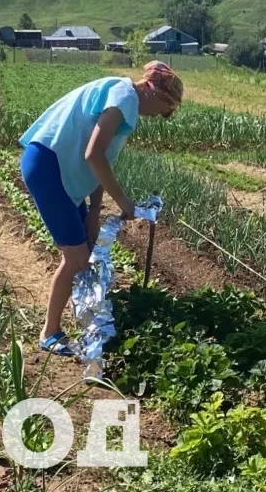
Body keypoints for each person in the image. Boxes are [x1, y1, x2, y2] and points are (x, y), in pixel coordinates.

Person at [19, 61, 183, 355]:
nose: (159, 115)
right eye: (163, 108)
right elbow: (94, 155)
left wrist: (95, 211)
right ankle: (50, 333)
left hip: (61, 169)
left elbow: (98, 159)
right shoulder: (124, 101)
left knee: (86, 248)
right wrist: (124, 203)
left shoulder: (121, 94)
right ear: (153, 91)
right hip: (50, 168)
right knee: (76, 257)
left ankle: (80, 321)